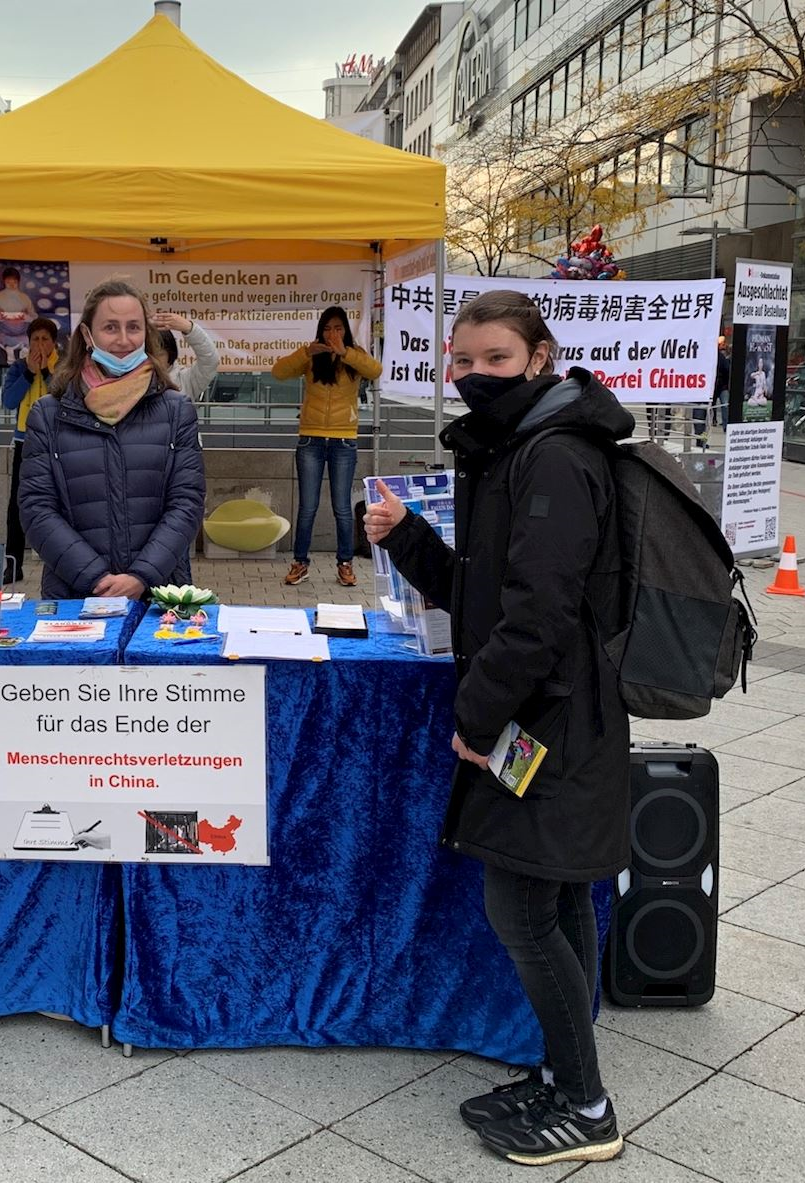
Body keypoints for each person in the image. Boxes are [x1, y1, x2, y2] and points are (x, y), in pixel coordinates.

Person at [364, 290, 630, 1167]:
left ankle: (587, 1107)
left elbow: (538, 615)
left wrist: (476, 718)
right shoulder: (510, 447)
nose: (476, 374)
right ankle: (562, 1074)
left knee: (519, 906)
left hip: (553, 719)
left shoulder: (555, 456)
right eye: (464, 360)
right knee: (555, 895)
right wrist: (408, 537)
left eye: (497, 359)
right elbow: (481, 590)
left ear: (540, 358)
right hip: (543, 710)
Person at [18, 280, 205, 601]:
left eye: (133, 327)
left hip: (158, 595)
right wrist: (96, 579)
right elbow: (37, 508)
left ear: (146, 333)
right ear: (87, 335)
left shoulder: (177, 410)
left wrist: (140, 576)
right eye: (110, 327)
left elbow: (187, 503)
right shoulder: (48, 415)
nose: (123, 339)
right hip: (74, 597)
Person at [272, 306, 382, 588]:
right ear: (321, 331)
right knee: (307, 507)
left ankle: (345, 564)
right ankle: (300, 563)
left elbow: (376, 370)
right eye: (328, 328)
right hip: (311, 439)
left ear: (346, 330)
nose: (333, 333)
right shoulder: (312, 356)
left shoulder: (355, 355)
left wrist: (346, 353)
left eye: (338, 328)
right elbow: (278, 372)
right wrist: (306, 352)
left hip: (344, 440)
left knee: (342, 507)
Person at [0, 317, 60, 584]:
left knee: (59, 502)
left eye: (45, 339)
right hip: (25, 441)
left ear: (54, 342)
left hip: (56, 442)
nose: (40, 344)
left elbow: (64, 396)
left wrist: (45, 371)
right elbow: (8, 401)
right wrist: (28, 373)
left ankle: (59, 563)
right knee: (17, 504)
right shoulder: (18, 368)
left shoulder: (64, 367)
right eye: (35, 339)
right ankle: (13, 564)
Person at [153, 312, 219, 400]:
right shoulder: (134, 381)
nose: (153, 360)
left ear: (170, 353)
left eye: (159, 354)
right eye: (148, 354)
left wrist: (189, 328)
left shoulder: (185, 380)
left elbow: (209, 360)